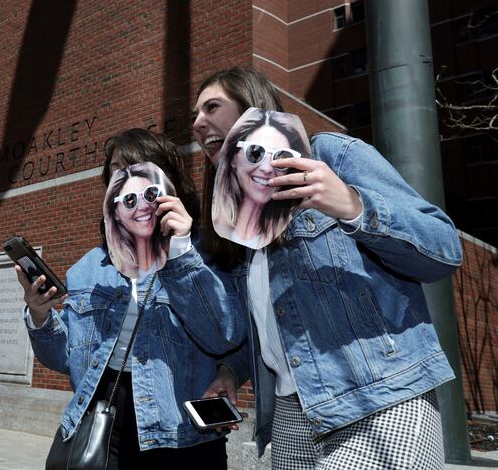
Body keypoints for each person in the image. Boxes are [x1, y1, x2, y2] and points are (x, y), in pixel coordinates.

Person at [192, 67, 463, 469]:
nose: (198, 124)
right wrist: (232, 372)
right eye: (195, 116)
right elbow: (273, 324)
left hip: (378, 399)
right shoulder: (240, 219)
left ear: (251, 106)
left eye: (211, 107)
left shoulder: (331, 155)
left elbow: (444, 248)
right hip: (290, 417)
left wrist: (354, 205)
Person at [18, 128, 247, 468]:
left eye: (141, 169)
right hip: (98, 423)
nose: (129, 180)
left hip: (180, 433)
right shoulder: (88, 268)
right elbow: (62, 360)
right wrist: (40, 316)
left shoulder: (206, 253)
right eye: (117, 170)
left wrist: (180, 251)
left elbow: (224, 335)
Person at [213, 108, 310, 248]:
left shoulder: (301, 236)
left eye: (282, 157)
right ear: (233, 158)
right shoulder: (208, 240)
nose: (266, 168)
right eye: (255, 152)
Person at [104, 162, 173, 278]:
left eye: (150, 193)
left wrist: (182, 245)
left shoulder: (188, 250)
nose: (144, 206)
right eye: (129, 200)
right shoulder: (89, 269)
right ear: (115, 212)